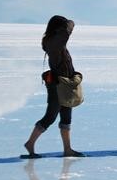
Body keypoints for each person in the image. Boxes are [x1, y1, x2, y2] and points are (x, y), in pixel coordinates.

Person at [24, 15, 85, 158]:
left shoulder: (53, 41)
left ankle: (67, 149)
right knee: (50, 117)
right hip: (58, 86)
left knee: (66, 118)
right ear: (58, 28)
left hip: (64, 85)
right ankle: (30, 143)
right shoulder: (55, 41)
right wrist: (68, 23)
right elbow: (68, 29)